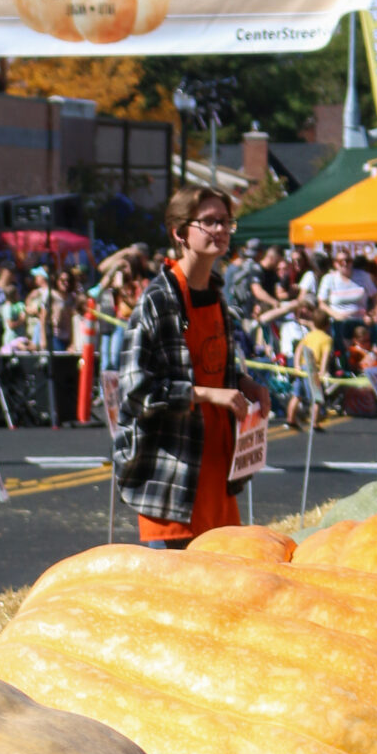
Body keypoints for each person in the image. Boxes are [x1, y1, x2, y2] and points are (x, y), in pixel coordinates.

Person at [114, 187, 269, 548]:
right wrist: (207, 394)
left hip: (218, 477)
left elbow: (219, 369)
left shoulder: (216, 293)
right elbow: (135, 392)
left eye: (226, 221)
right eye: (209, 221)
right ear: (179, 232)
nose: (221, 229)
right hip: (173, 483)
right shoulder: (157, 300)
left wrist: (247, 385)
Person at [285, 305, 333, 431]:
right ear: (327, 325)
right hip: (312, 369)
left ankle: (290, 419)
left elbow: (299, 350)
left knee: (297, 395)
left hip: (302, 367)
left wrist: (296, 365)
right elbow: (325, 356)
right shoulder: (326, 339)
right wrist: (323, 371)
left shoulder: (309, 335)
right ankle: (314, 423)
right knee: (316, 398)